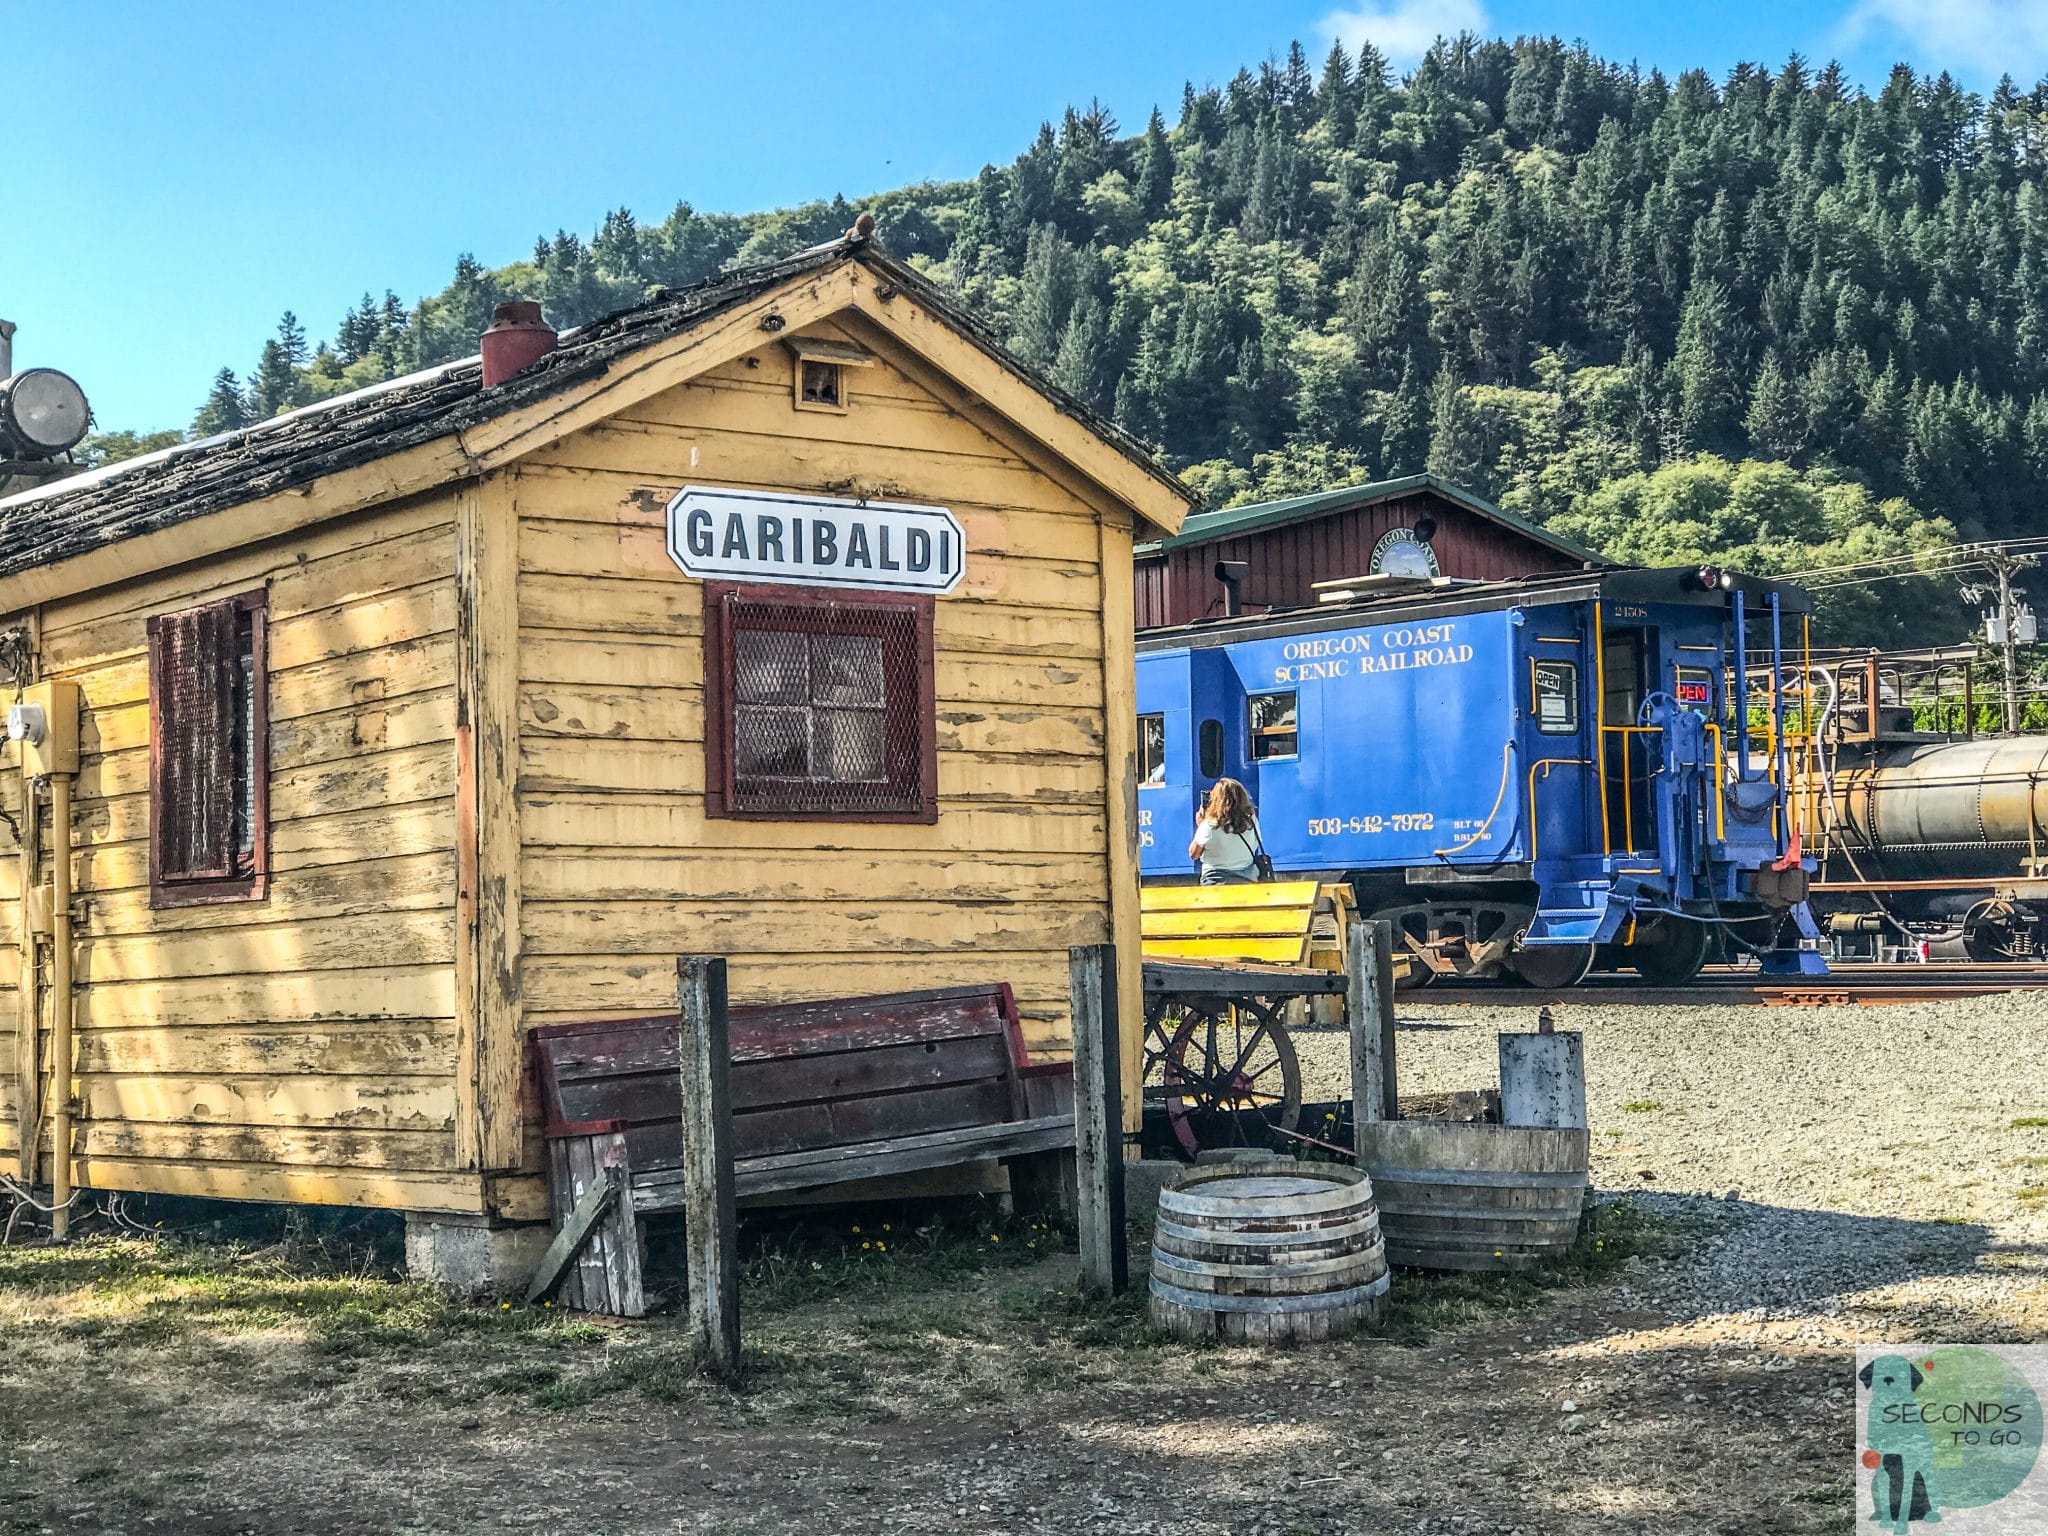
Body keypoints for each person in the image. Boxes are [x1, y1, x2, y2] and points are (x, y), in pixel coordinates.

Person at [1188, 777, 1262, 885]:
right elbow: (1256, 845)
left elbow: (1193, 854)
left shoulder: (1209, 825)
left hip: (1215, 882)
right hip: (1247, 880)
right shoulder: (1251, 822)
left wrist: (1200, 827)